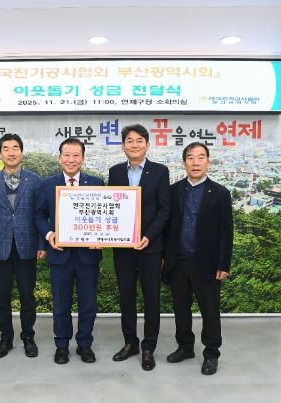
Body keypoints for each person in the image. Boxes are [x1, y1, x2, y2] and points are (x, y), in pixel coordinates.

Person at [163, 141, 233, 376]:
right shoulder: (174, 191)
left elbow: (226, 232)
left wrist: (224, 263)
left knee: (210, 311)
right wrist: (164, 258)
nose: (196, 162)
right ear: (184, 163)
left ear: (208, 162)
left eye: (201, 157)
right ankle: (185, 347)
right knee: (180, 309)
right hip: (178, 262)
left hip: (208, 264)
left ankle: (211, 353)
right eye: (191, 158)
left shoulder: (220, 193)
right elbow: (167, 228)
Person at [34, 137, 104, 365]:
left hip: (88, 256)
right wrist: (49, 235)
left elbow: (104, 216)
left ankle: (85, 344)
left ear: (83, 158)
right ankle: (62, 345)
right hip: (59, 254)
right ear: (60, 157)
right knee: (61, 304)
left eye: (76, 155)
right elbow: (39, 216)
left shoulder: (96, 183)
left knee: (88, 304)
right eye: (67, 155)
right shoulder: (47, 184)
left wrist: (101, 236)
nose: (71, 160)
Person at [109, 124, 170, 371]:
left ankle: (148, 347)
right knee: (126, 296)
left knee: (151, 298)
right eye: (130, 141)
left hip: (150, 247)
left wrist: (149, 236)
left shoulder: (160, 171)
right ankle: (130, 342)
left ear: (147, 144)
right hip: (123, 248)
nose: (134, 145)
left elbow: (164, 209)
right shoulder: (115, 172)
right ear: (123, 146)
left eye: (139, 140)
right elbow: (111, 207)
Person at [0, 133, 45, 359]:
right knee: (2, 297)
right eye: (6, 148)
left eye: (15, 148)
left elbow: (41, 215)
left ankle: (28, 337)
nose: (11, 152)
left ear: (22, 152)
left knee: (27, 296)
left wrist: (42, 244)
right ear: (0, 154)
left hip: (27, 246)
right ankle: (5, 337)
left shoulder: (35, 181)